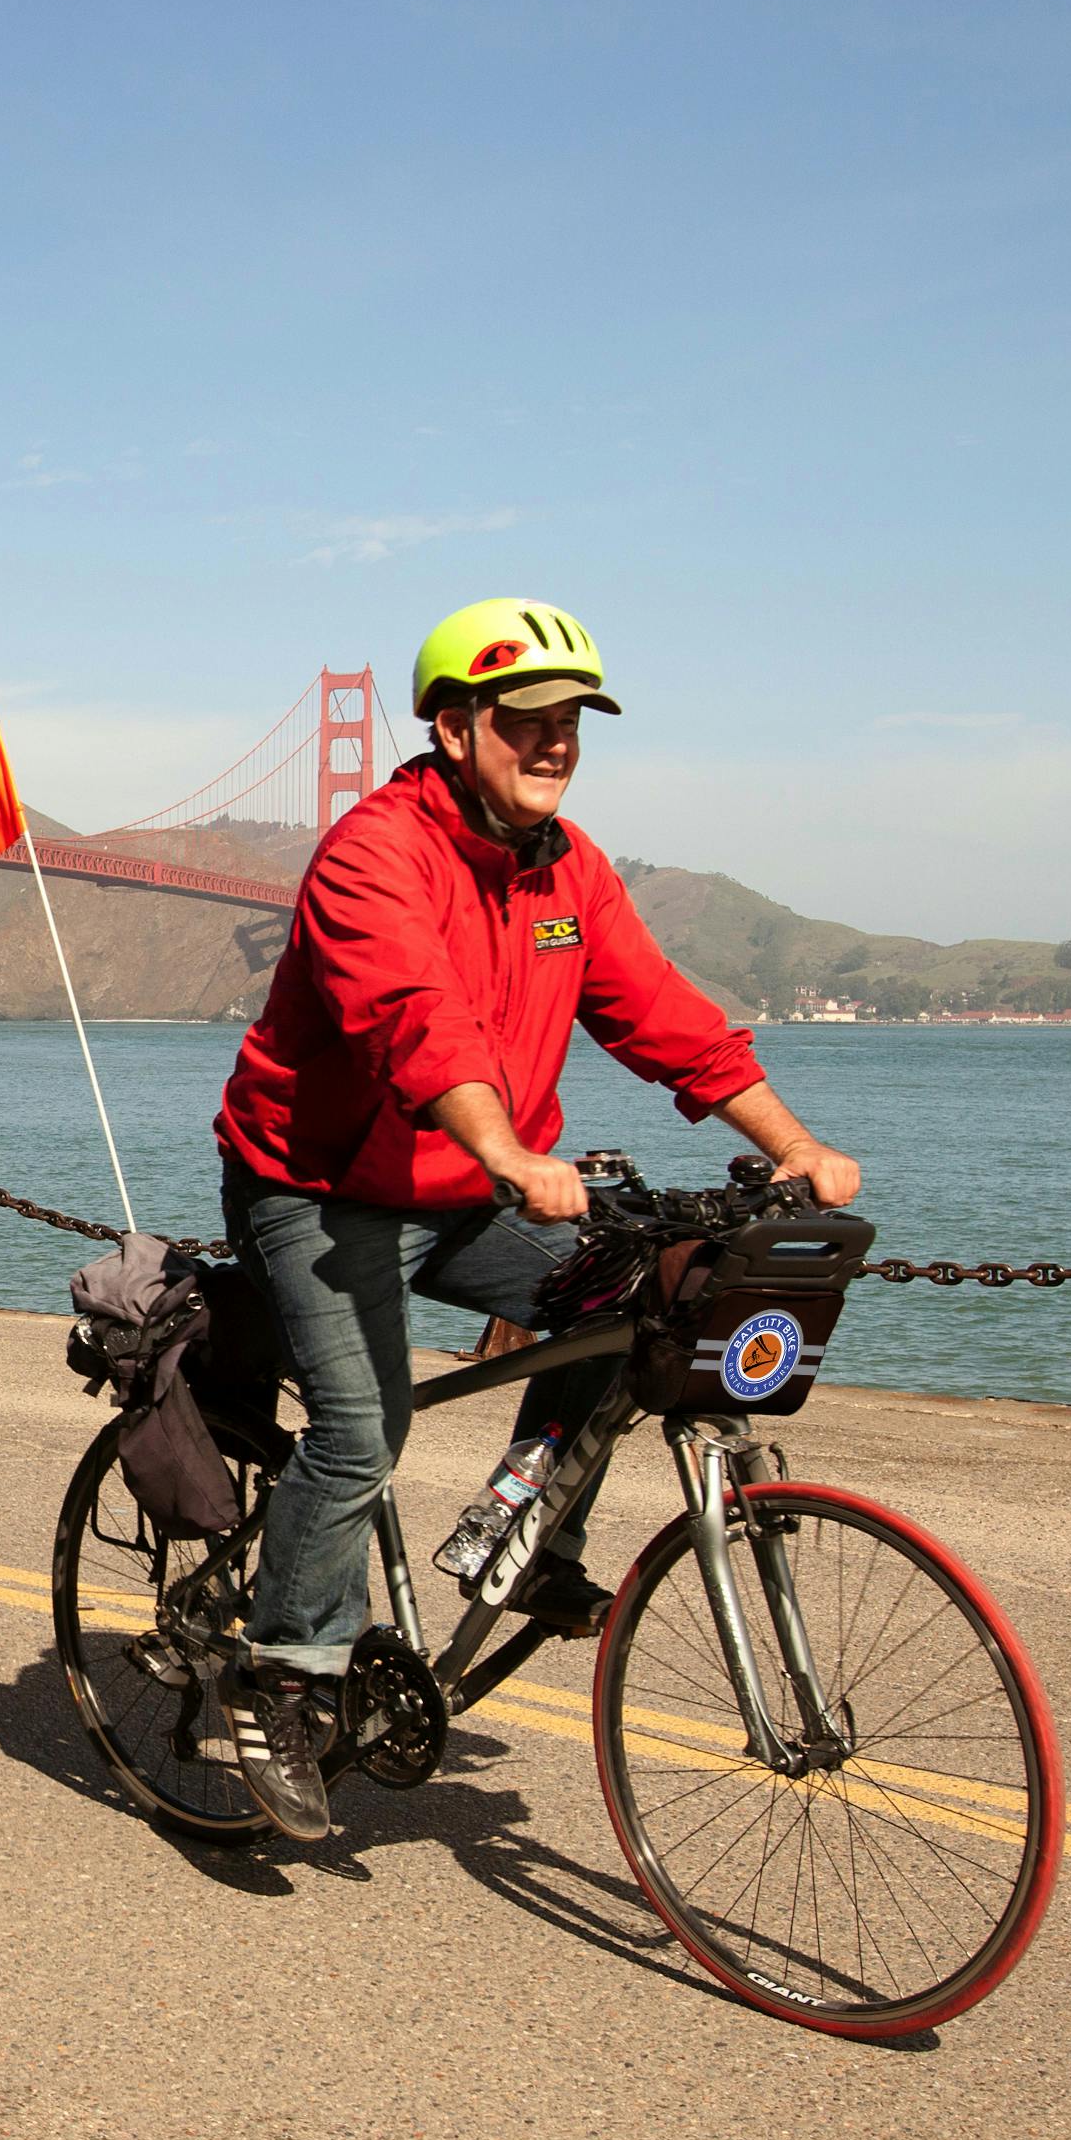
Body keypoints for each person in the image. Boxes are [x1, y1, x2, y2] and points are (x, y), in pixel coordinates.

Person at [209, 597, 865, 1845]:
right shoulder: (372, 852)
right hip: (316, 1182)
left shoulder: (567, 869)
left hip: (464, 1185)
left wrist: (794, 1146)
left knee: (639, 1298)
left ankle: (520, 1524)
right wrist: (505, 1144)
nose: (555, 742)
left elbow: (662, 1013)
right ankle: (279, 1678)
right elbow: (412, 1013)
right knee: (361, 1424)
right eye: (527, 720)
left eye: (571, 721)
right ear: (454, 727)